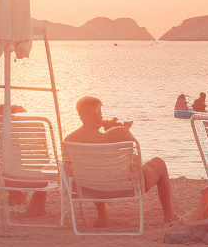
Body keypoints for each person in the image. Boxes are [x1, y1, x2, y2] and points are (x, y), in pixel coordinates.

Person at [64, 96, 177, 226]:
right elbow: (136, 157)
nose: (102, 116)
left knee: (97, 171)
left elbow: (68, 169)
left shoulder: (69, 140)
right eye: (100, 112)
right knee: (159, 163)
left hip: (90, 188)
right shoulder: (119, 133)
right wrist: (119, 130)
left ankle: (102, 218)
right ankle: (169, 215)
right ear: (94, 115)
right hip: (126, 188)